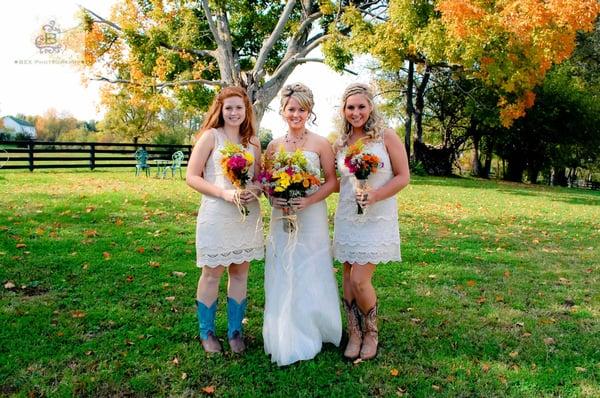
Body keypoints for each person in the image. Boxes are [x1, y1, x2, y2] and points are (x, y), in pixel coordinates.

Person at [262, 83, 342, 366]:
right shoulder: (273, 145)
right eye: (291, 109)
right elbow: (267, 183)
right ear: (283, 111)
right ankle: (284, 330)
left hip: (312, 213)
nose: (296, 114)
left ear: (309, 111)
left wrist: (308, 201)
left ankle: (316, 325)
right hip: (282, 215)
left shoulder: (321, 143)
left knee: (311, 265)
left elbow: (332, 181)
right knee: (283, 265)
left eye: (302, 109)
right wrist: (275, 200)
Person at [333, 83, 410, 360]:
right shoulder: (340, 143)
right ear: (343, 110)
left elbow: (403, 176)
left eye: (361, 106)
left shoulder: (386, 137)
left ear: (370, 107)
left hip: (377, 216)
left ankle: (371, 331)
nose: (356, 112)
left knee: (360, 279)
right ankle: (354, 331)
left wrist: (375, 194)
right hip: (347, 215)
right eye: (350, 107)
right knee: (347, 276)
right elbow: (337, 182)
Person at [186, 87, 264, 354]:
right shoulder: (211, 137)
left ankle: (235, 332)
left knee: (240, 273)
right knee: (212, 273)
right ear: (220, 110)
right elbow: (192, 176)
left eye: (239, 108)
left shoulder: (252, 142)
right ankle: (206, 332)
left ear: (246, 111)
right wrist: (224, 193)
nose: (234, 113)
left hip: (246, 215)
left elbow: (258, 178)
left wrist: (253, 190)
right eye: (228, 108)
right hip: (217, 213)